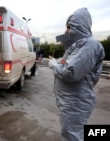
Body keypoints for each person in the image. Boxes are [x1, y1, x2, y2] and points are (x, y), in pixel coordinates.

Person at [48, 8, 105, 141]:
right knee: (72, 134)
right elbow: (67, 64)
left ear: (79, 26)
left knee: (72, 136)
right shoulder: (76, 46)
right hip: (70, 102)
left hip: (76, 103)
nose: (66, 31)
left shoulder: (90, 45)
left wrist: (54, 66)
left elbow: (70, 72)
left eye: (69, 27)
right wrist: (58, 62)